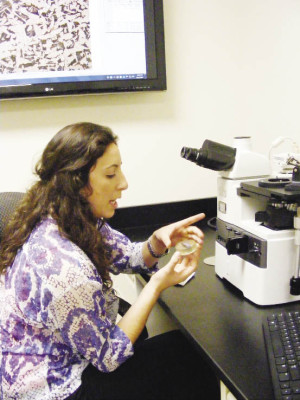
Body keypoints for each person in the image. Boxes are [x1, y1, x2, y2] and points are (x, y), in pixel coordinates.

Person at [0, 122, 219, 400]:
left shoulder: (64, 216)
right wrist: (155, 286)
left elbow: (126, 255)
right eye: (111, 174)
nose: (124, 183)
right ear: (77, 183)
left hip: (57, 357)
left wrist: (157, 242)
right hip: (56, 390)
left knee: (171, 350)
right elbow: (108, 356)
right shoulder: (63, 268)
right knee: (189, 360)